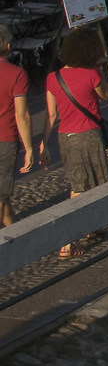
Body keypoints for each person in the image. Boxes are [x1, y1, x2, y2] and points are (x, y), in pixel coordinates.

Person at [46, 23, 108, 256]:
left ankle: (91, 227)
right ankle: (67, 241)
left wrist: (43, 144)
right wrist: (99, 72)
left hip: (66, 137)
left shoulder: (53, 77)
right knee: (84, 188)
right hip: (89, 134)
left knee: (80, 184)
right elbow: (106, 95)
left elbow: (51, 115)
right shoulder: (92, 74)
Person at [0, 26, 33, 225]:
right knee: (2, 194)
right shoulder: (17, 74)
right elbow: (22, 116)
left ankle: (13, 229)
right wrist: (29, 148)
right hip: (5, 138)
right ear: (9, 46)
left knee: (3, 195)